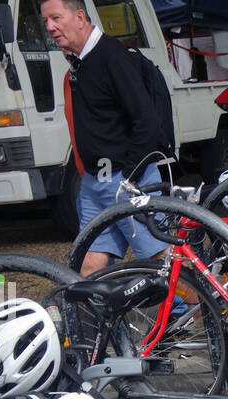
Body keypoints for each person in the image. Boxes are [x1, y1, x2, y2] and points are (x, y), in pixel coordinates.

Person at [40, 0, 167, 277]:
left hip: (125, 179)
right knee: (89, 265)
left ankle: (214, 313)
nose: (50, 27)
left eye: (56, 18)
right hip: (94, 183)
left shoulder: (111, 56)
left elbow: (146, 120)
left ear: (80, 16)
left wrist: (131, 175)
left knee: (163, 262)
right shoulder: (80, 62)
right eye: (46, 21)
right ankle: (92, 321)